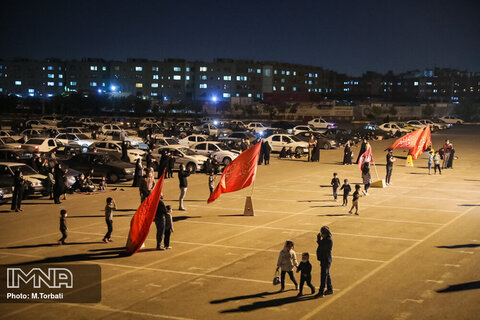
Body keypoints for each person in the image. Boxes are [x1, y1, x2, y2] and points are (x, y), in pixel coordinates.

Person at [316, 226, 333, 297]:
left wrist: (319, 240)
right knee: (327, 274)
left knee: (323, 276)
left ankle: (321, 291)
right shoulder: (325, 239)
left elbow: (322, 247)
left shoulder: (328, 240)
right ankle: (329, 289)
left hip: (326, 260)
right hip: (324, 259)